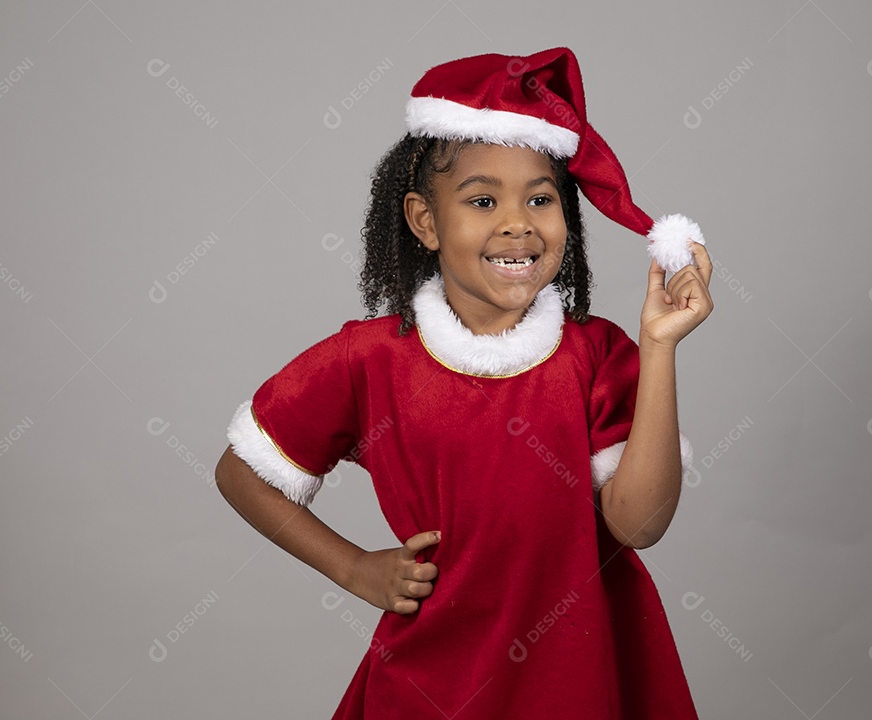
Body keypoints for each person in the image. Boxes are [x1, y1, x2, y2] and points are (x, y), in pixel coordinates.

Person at [215, 47, 714, 719]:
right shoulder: (368, 360)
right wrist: (354, 568)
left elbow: (642, 525)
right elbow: (240, 472)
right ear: (426, 221)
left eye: (541, 198)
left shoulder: (597, 354)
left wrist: (658, 348)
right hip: (437, 679)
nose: (518, 223)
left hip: (584, 668)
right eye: (483, 200)